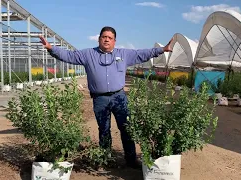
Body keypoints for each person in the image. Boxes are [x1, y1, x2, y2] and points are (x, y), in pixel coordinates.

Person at [39, 26, 173, 169]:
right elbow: (69, 56)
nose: (107, 39)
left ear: (115, 41)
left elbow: (142, 53)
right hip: (100, 99)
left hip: (119, 97)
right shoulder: (88, 54)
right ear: (99, 39)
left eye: (110, 38)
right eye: (104, 37)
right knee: (104, 129)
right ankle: (105, 159)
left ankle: (131, 159)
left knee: (126, 128)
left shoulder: (124, 54)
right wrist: (51, 48)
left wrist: (162, 49)